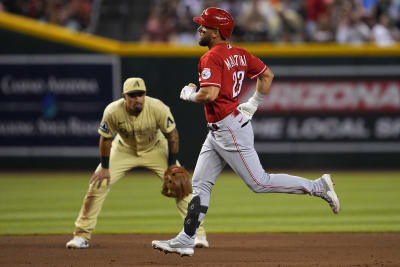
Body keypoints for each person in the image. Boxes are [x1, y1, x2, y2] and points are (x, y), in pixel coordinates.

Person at [151, 7, 340, 257]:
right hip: (220, 129)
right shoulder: (239, 53)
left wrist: (189, 95)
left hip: (229, 128)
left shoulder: (210, 57)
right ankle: (187, 239)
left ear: (217, 32)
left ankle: (317, 186)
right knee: (200, 183)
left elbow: (209, 94)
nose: (199, 28)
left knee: (259, 182)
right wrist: (254, 102)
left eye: (204, 26)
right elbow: (267, 75)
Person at [66, 77, 208, 249]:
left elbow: (173, 136)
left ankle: (197, 234)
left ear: (145, 95)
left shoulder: (157, 108)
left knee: (182, 187)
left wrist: (171, 165)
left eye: (140, 94)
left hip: (156, 147)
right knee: (97, 185)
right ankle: (81, 236)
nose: (137, 98)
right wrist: (104, 167)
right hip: (123, 149)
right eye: (132, 95)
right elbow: (105, 139)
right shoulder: (112, 111)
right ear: (124, 96)